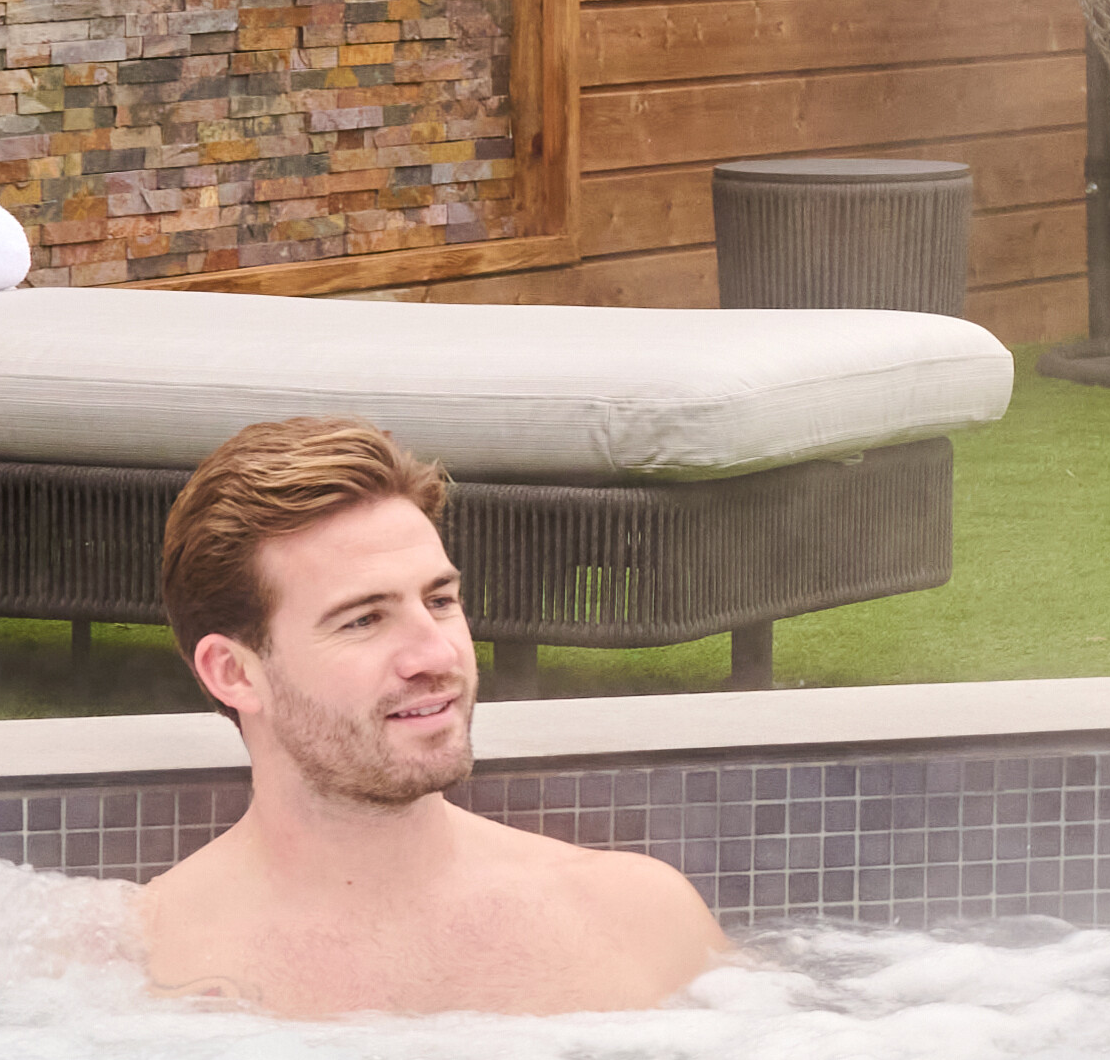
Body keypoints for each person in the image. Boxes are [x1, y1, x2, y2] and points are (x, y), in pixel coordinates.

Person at [129, 415, 729, 1016]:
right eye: (363, 619)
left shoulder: (638, 924)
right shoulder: (138, 972)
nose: (438, 655)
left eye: (439, 600)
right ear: (234, 673)